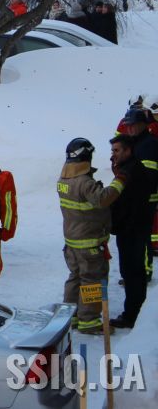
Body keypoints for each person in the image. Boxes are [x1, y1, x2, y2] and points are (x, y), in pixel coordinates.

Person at [58, 138, 124, 335]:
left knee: (75, 278)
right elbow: (103, 199)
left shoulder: (63, 181)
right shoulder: (85, 183)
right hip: (89, 244)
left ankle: (72, 316)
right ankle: (89, 321)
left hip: (72, 243)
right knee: (92, 281)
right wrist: (120, 181)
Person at [109, 132, 155, 329]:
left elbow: (127, 203)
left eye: (117, 150)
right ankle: (134, 313)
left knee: (133, 274)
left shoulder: (131, 171)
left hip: (132, 230)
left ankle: (132, 316)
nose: (113, 154)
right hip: (129, 229)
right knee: (130, 273)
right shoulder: (129, 168)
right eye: (112, 150)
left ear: (128, 151)